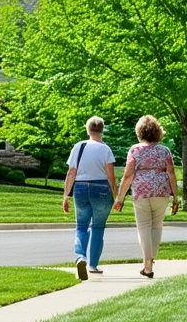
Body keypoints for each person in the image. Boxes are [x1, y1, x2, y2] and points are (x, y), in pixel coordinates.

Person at [114, 115, 179, 278]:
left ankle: (147, 265)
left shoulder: (135, 150)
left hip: (141, 192)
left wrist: (119, 198)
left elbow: (128, 175)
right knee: (157, 226)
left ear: (140, 132)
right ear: (158, 132)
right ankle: (151, 259)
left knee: (143, 227)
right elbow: (171, 173)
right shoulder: (165, 151)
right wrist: (176, 197)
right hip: (161, 191)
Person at [62, 116, 116, 280]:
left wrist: (65, 195)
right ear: (102, 129)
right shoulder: (105, 149)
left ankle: (80, 256)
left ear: (88, 129)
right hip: (101, 188)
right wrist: (116, 196)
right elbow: (111, 176)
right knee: (98, 227)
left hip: (80, 187)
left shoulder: (78, 147)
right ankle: (93, 265)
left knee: (81, 226)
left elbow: (71, 172)